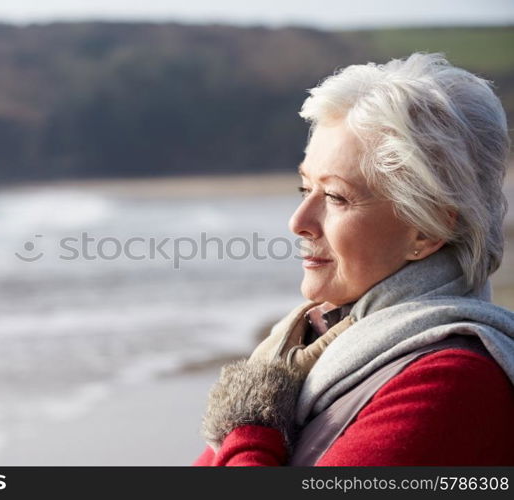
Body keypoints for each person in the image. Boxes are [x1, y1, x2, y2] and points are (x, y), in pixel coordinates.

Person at [193, 52, 514, 466]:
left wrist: (251, 424)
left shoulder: (451, 381)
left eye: (336, 196)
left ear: (428, 228)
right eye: (304, 188)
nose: (299, 222)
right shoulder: (310, 346)